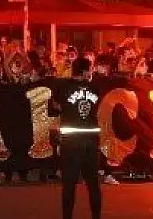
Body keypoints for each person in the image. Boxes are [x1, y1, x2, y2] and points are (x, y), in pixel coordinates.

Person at [53, 56, 102, 219]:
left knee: (69, 185)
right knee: (93, 184)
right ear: (85, 71)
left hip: (71, 142)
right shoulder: (95, 88)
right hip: (91, 141)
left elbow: (56, 107)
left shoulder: (63, 87)